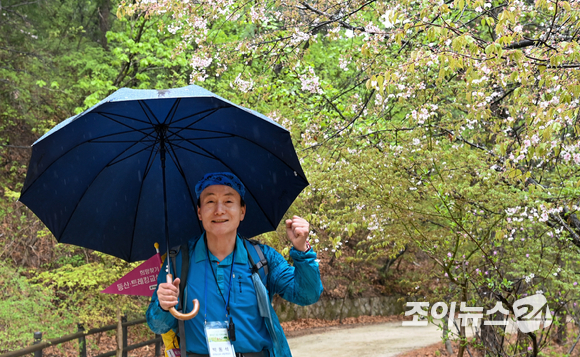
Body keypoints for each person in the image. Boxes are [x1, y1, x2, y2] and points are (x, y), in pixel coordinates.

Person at [147, 172, 323, 357]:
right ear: (199, 212)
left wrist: (303, 251)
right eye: (210, 202)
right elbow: (157, 325)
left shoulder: (262, 258)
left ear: (242, 211)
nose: (219, 210)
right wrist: (163, 305)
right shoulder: (178, 261)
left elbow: (307, 295)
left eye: (229, 201)